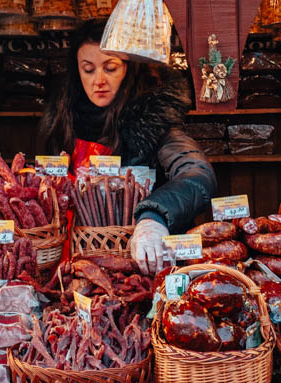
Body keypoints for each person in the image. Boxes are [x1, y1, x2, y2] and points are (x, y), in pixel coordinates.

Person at [38, 22, 217, 274]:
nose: (99, 80)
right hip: (74, 265)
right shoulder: (63, 123)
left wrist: (154, 217)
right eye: (88, 70)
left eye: (111, 68)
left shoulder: (153, 119)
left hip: (141, 263)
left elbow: (197, 173)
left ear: (130, 70)